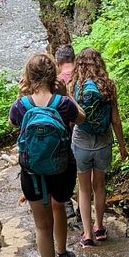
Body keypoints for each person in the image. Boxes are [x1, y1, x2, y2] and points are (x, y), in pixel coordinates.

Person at [9, 53, 85, 257]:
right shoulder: (62, 103)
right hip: (61, 167)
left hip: (32, 173)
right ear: (54, 75)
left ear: (28, 76)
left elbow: (13, 123)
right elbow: (81, 118)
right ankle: (62, 253)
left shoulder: (21, 105)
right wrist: (66, 95)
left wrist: (22, 95)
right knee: (58, 206)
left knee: (41, 225)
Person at [69, 47, 129, 247]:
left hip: (81, 143)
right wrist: (122, 146)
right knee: (99, 186)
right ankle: (100, 227)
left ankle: (87, 235)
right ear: (99, 63)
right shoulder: (108, 86)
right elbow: (116, 119)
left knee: (84, 189)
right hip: (103, 142)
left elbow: (71, 119)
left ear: (79, 64)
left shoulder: (75, 86)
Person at [55, 44, 77, 219]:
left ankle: (67, 203)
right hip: (85, 130)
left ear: (58, 62)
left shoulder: (56, 82)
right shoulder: (83, 76)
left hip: (63, 132)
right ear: (73, 59)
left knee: (65, 168)